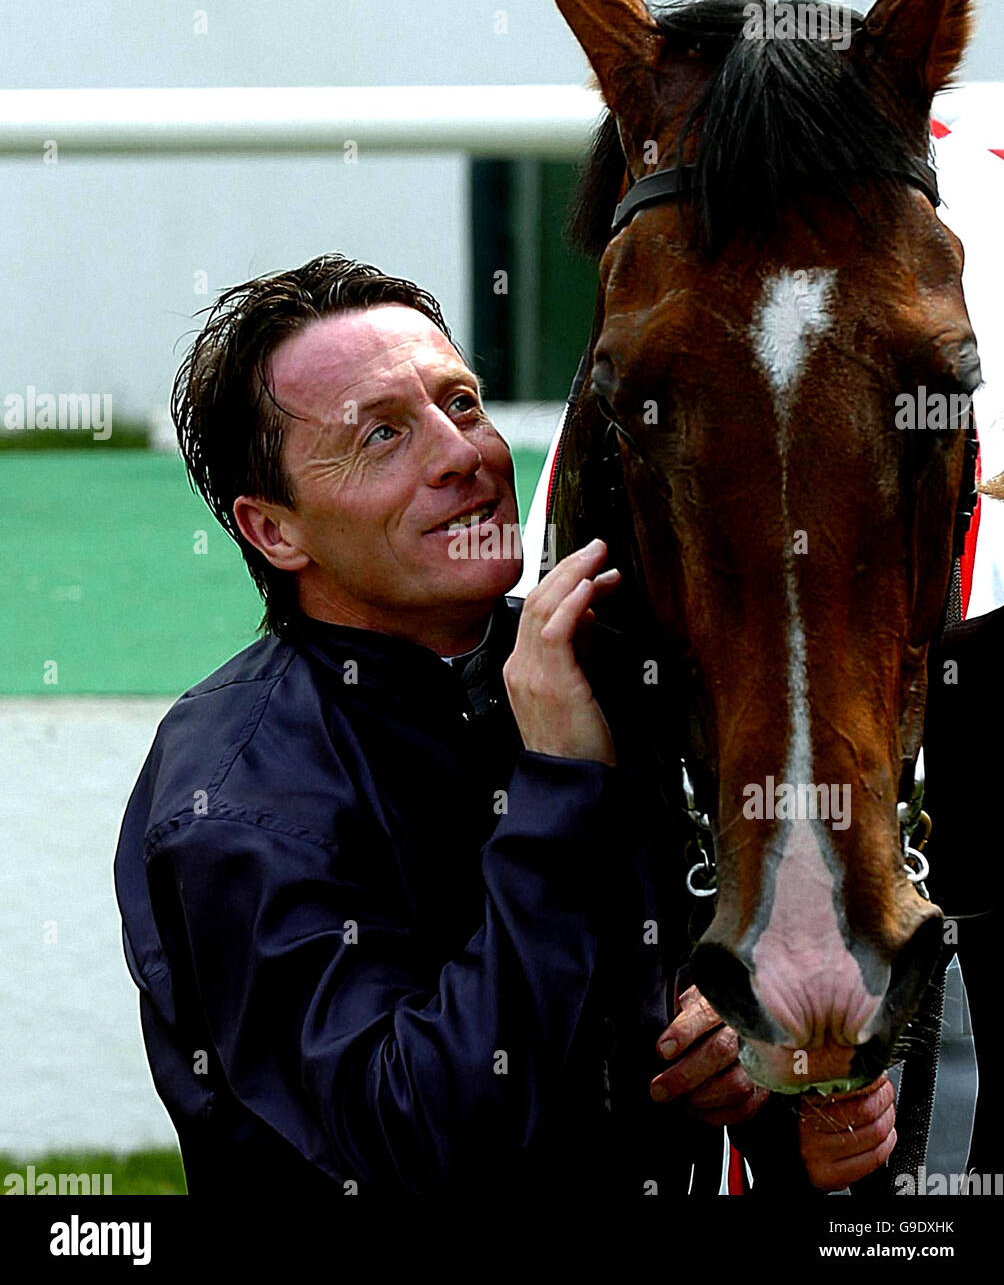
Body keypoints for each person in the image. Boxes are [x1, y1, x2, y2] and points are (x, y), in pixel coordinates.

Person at [113, 253, 895, 1197]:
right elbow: (415, 1142)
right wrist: (561, 788)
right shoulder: (235, 797)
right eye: (382, 436)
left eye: (463, 404)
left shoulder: (606, 663)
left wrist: (771, 1091)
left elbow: (697, 1021)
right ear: (275, 530)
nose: (462, 455)